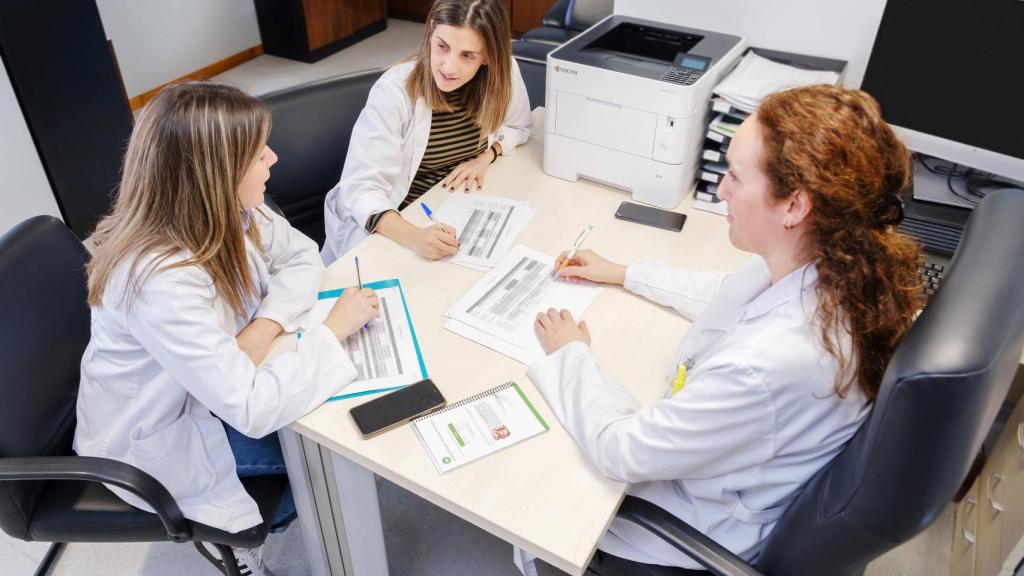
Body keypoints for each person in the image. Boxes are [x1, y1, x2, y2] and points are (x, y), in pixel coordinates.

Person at [529, 85, 923, 569]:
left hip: (686, 529)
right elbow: (726, 293)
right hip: (730, 466)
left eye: (735, 176)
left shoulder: (773, 362)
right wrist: (625, 273)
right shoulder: (832, 261)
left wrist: (572, 356)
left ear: (795, 206)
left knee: (535, 472)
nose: (720, 190)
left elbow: (622, 451)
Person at [75, 83, 379, 576]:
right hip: (156, 432)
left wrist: (265, 324)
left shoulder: (226, 208)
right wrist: (331, 332)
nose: (274, 159)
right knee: (338, 448)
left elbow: (302, 255)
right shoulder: (157, 279)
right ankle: (248, 544)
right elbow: (250, 408)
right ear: (215, 174)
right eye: (259, 154)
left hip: (218, 383)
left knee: (340, 417)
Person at [321, 0, 533, 264]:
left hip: (454, 205)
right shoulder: (394, 92)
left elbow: (519, 126)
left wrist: (486, 156)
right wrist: (414, 237)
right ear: (431, 31)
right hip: (398, 222)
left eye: (467, 55)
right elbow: (361, 190)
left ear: (489, 55)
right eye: (442, 46)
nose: (448, 67)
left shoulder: (504, 74)